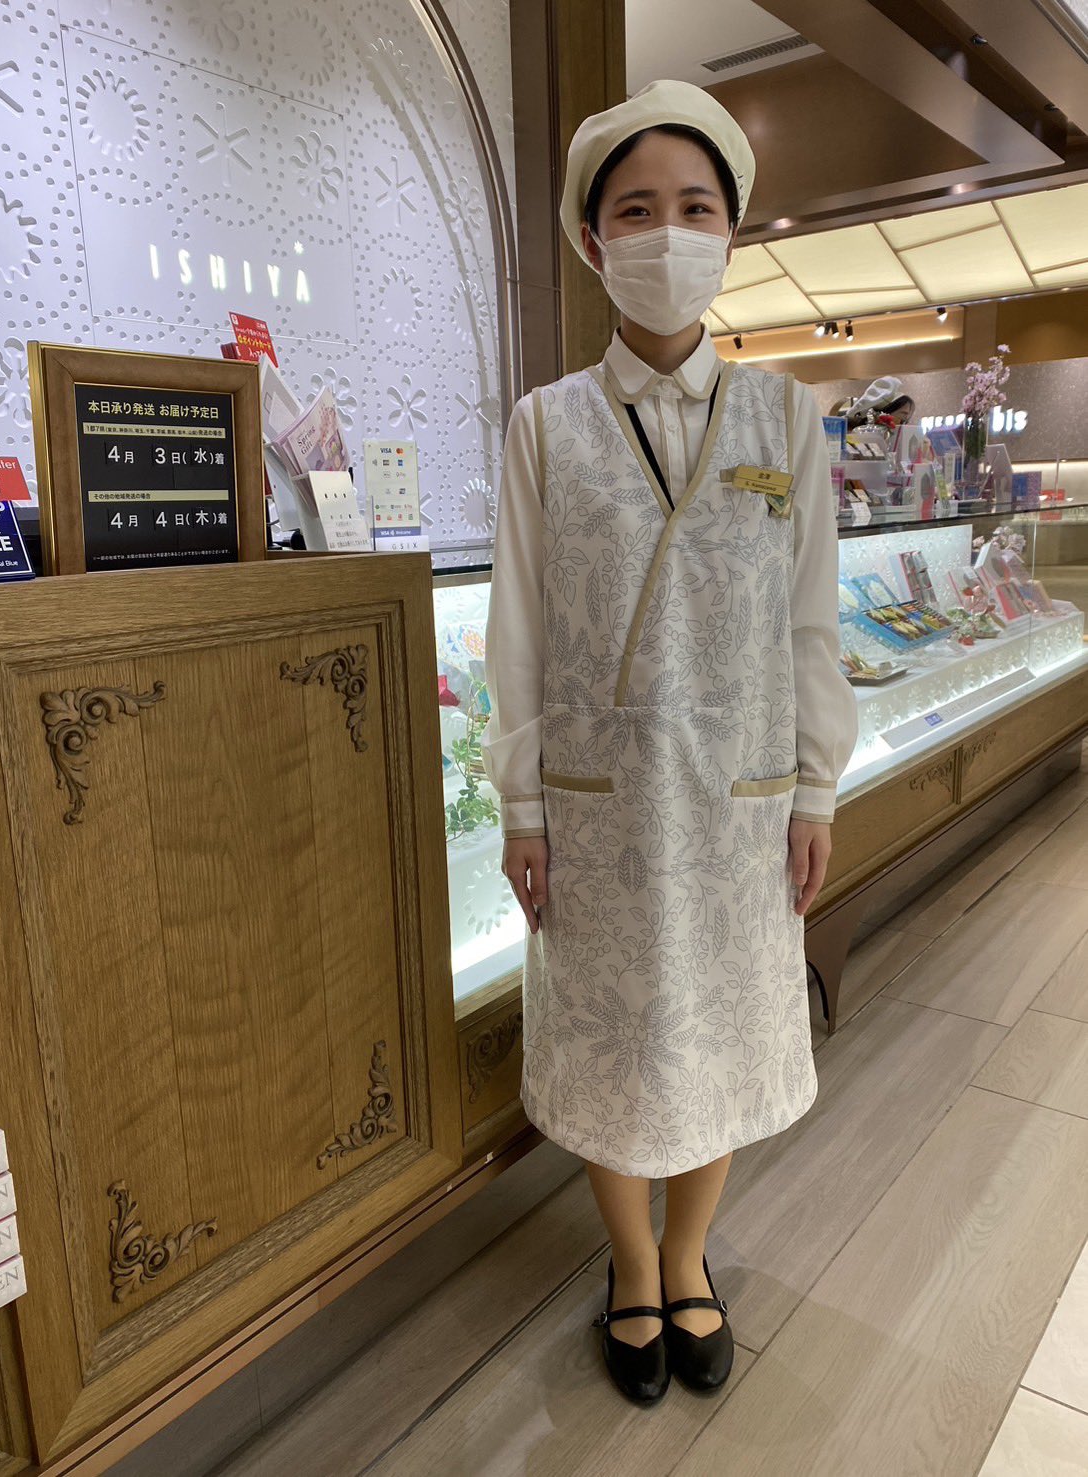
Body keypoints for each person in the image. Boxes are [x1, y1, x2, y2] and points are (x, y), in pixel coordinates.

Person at [481, 79, 858, 1405]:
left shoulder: (785, 420)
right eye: (636, 210)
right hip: (600, 812)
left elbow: (810, 623)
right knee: (614, 1049)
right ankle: (631, 1264)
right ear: (594, 242)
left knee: (721, 1036)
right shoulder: (546, 425)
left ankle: (690, 1254)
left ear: (731, 233)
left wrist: (816, 790)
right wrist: (522, 807)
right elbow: (517, 630)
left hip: (743, 804)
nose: (667, 231)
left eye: (696, 207)